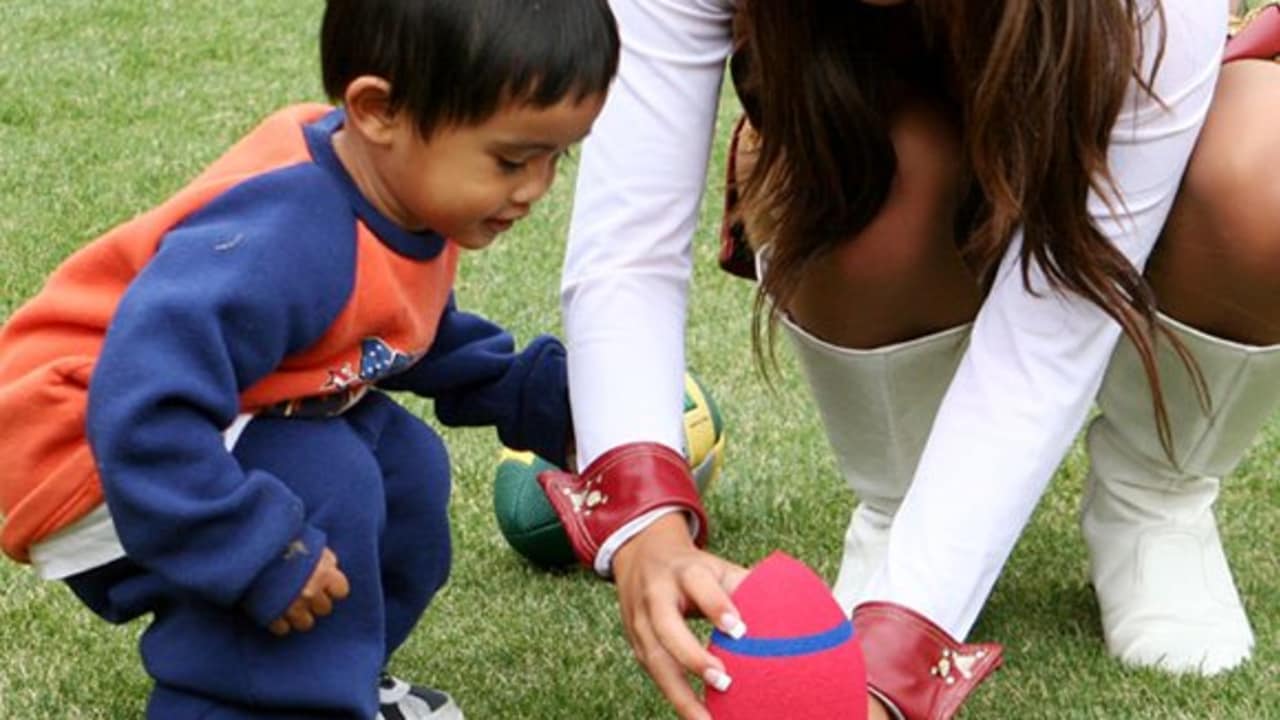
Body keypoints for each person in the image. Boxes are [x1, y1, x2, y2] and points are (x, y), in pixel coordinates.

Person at [539, 0, 1278, 718]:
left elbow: (1046, 339)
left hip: (1106, 132)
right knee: (880, 165)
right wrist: (643, 527)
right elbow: (628, 245)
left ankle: (1153, 501)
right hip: (890, 148)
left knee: (1266, 170)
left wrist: (899, 645)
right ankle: (900, 504)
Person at [0, 0, 617, 717]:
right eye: (512, 158)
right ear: (378, 110)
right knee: (327, 475)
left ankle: (329, 679)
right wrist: (251, 547)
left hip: (190, 408)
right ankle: (253, 699)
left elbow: (395, 333)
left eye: (556, 157)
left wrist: (540, 399)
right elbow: (144, 398)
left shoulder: (397, 190)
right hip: (82, 437)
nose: (535, 187)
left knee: (406, 467)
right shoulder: (289, 234)